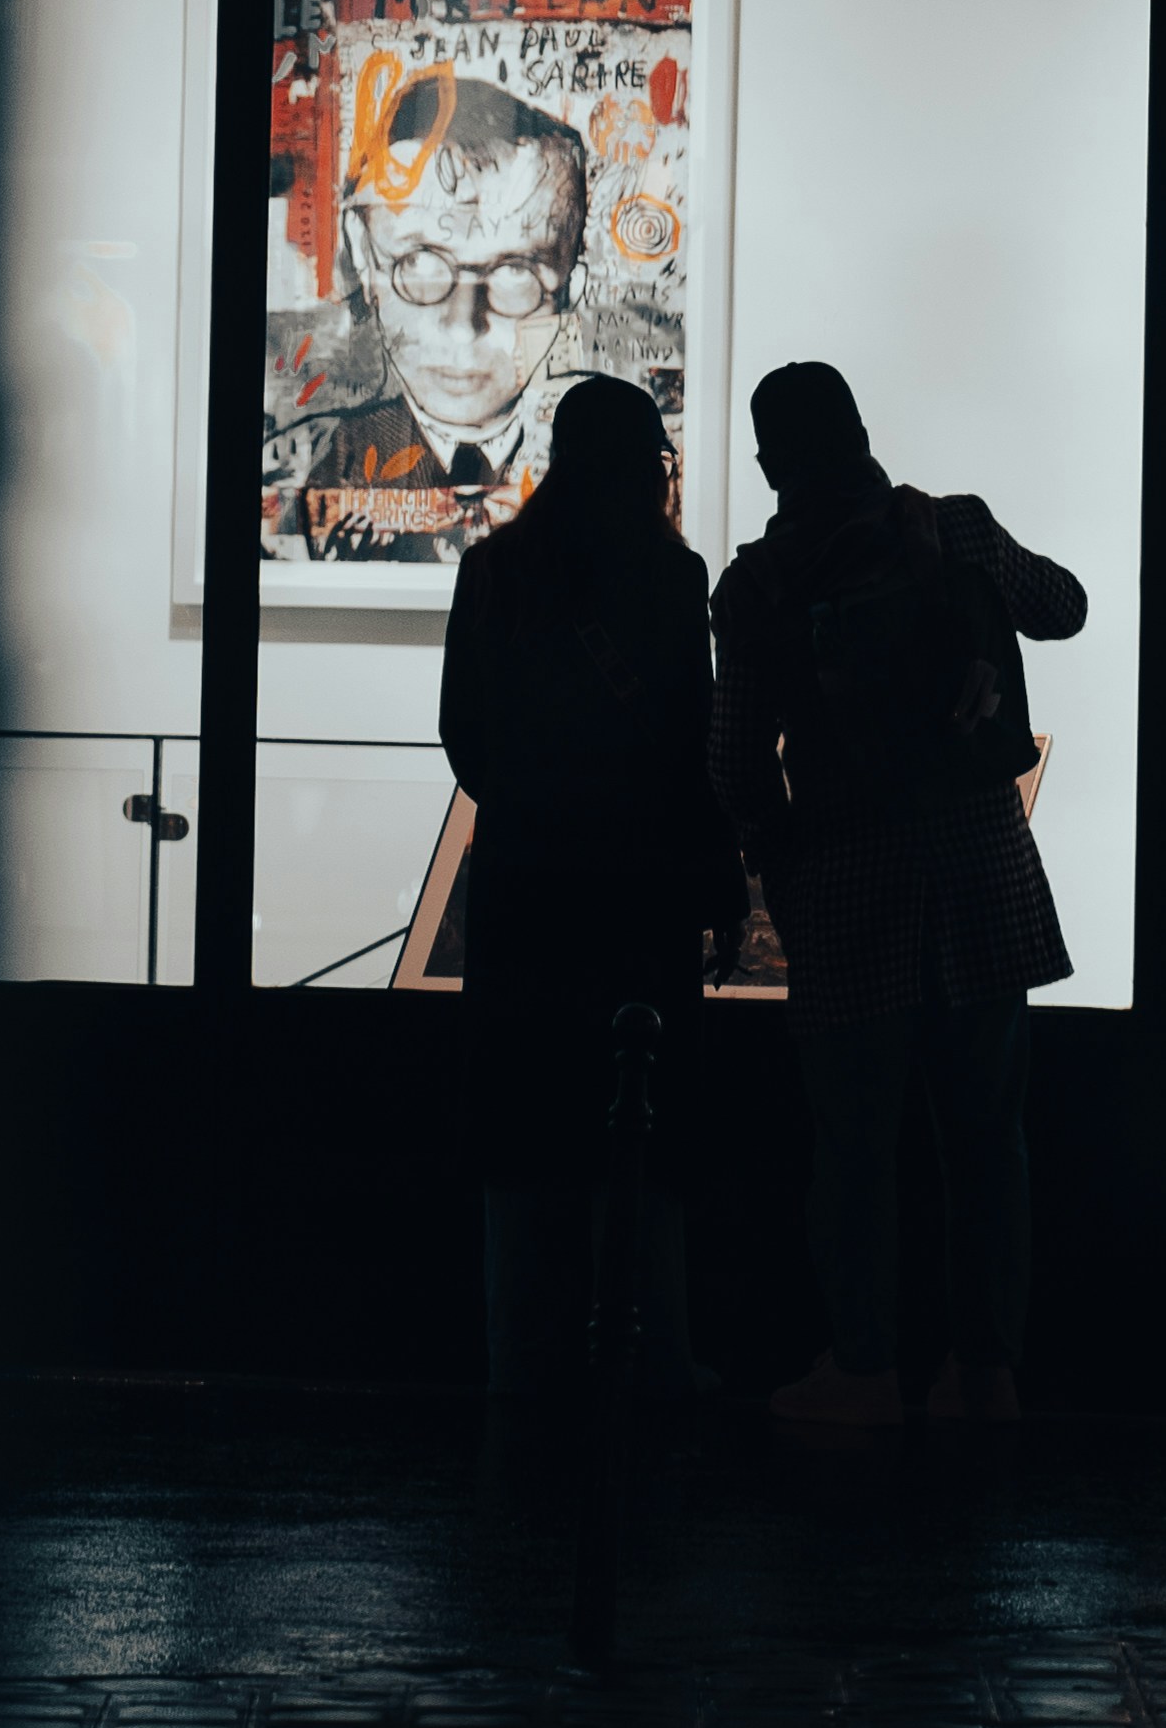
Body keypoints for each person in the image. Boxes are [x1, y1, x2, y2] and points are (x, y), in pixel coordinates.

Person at [710, 360, 1083, 1430]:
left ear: (771, 462)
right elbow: (1066, 607)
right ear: (864, 432)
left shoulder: (756, 585)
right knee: (986, 1143)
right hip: (980, 878)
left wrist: (769, 857)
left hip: (845, 886)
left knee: (856, 1150)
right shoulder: (952, 530)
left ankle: (865, 1366)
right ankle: (988, 1373)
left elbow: (735, 759)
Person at [437, 372, 742, 1396]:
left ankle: (516, 1352)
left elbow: (463, 736)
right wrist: (711, 882)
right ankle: (650, 1357)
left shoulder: (493, 569)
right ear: (647, 464)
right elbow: (694, 744)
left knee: (521, 1125)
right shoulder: (668, 576)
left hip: (526, 882)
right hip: (638, 887)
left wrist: (534, 810)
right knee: (641, 1125)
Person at [271, 70, 597, 568]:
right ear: (362, 254)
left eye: (515, 270)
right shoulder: (297, 470)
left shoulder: (608, 473)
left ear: (572, 278)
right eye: (420, 262)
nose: (464, 325)